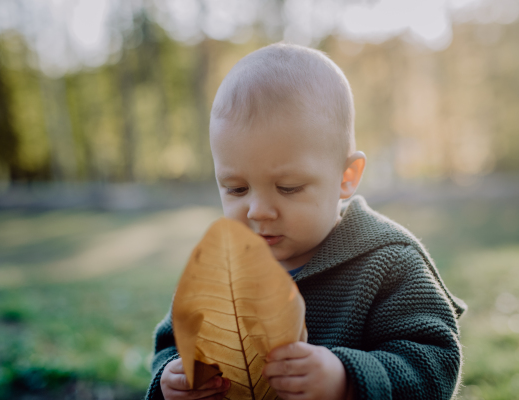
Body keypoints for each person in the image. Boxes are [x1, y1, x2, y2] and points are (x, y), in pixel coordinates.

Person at [146, 43, 466, 400]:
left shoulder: (388, 260)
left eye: (288, 188)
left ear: (346, 176)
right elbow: (171, 343)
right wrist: (170, 379)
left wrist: (345, 379)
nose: (258, 211)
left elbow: (435, 364)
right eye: (236, 189)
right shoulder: (218, 270)